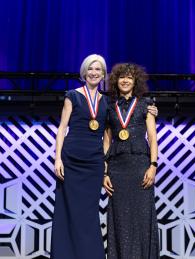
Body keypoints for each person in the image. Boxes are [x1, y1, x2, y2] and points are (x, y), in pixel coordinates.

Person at [51, 54, 108, 259]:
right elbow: (61, 129)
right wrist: (57, 158)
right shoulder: (72, 96)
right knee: (67, 211)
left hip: (94, 163)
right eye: (90, 69)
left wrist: (105, 164)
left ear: (103, 74)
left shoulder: (107, 101)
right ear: (84, 72)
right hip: (71, 160)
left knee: (88, 213)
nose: (94, 73)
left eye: (98, 70)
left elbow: (107, 137)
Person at [103, 63, 159, 259]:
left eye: (129, 77)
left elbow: (152, 138)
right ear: (115, 81)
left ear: (135, 82)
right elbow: (107, 140)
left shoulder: (146, 105)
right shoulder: (109, 107)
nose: (125, 80)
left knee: (142, 219)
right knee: (119, 220)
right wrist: (105, 172)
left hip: (140, 167)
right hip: (117, 169)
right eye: (121, 77)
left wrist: (153, 166)